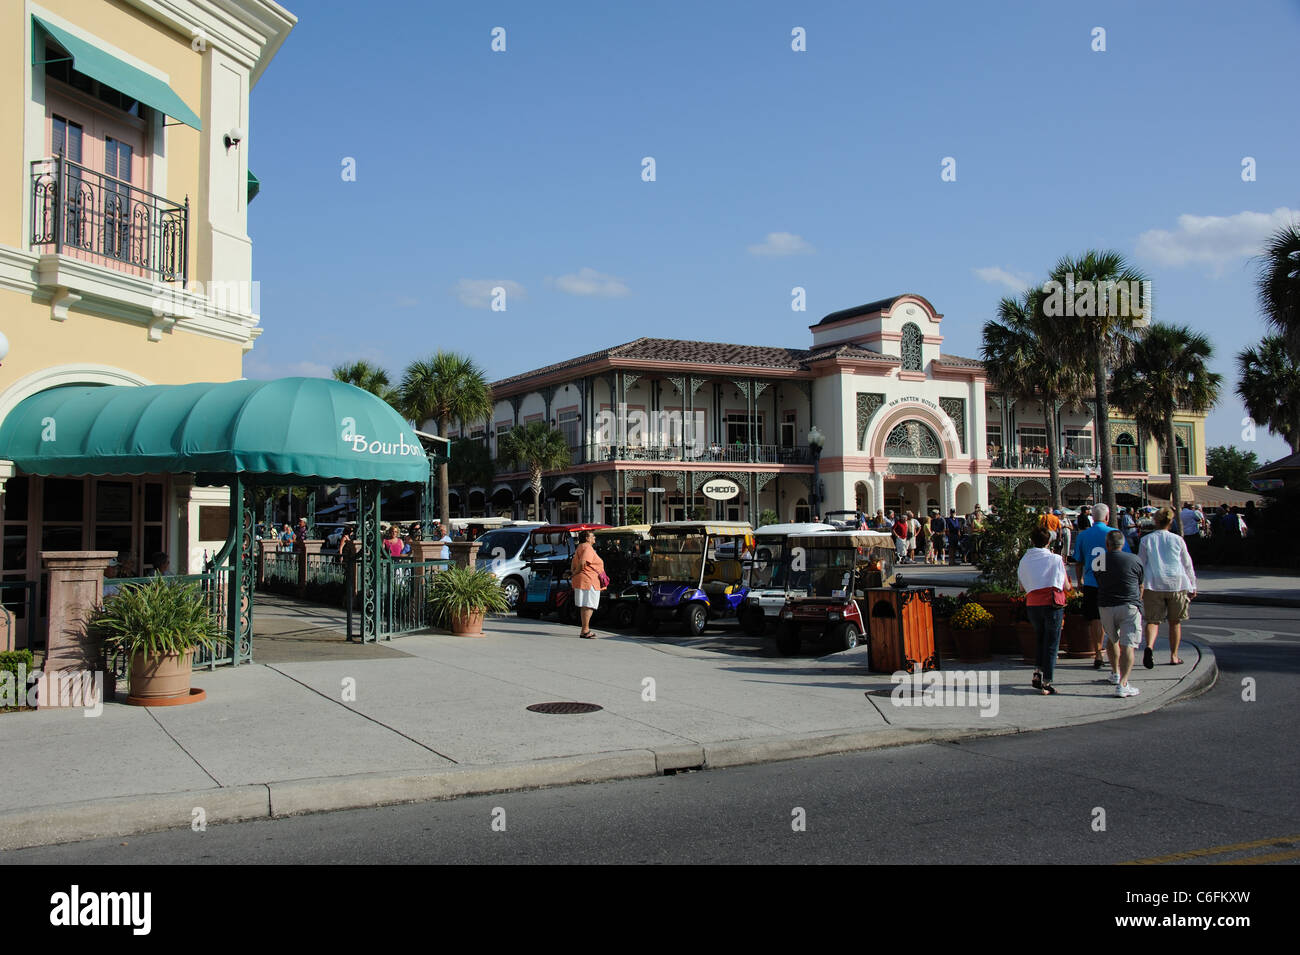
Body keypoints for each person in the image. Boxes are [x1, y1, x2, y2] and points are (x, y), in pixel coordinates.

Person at [1071, 503, 1130, 670]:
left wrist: (1080, 580)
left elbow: (1078, 561)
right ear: (1107, 516)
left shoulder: (1083, 535)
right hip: (1110, 582)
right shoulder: (1114, 534)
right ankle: (1113, 651)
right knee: (1112, 619)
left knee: (1095, 619)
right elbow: (1124, 557)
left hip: (1091, 581)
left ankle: (1097, 652)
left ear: (1092, 517)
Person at [1138, 508, 1196, 667]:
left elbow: (1140, 564)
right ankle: (1174, 656)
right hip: (1176, 583)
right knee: (1175, 622)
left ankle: (1149, 647)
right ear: (1171, 521)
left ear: (1155, 521)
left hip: (1153, 583)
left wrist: (1139, 585)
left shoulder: (1146, 540)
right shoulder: (1177, 540)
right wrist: (1193, 585)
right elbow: (1187, 563)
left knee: (1152, 621)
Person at [1017, 526, 1071, 695]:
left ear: (1032, 541)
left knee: (1040, 638)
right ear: (1049, 542)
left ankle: (1037, 672)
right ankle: (1047, 681)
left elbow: (1021, 585)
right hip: (1051, 602)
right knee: (1052, 643)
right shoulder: (1055, 559)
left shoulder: (1025, 559)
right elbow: (1065, 585)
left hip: (1033, 603)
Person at [1095, 529, 1145, 698]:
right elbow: (1140, 583)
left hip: (1106, 605)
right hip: (1129, 604)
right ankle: (1123, 683)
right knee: (1128, 645)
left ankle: (1115, 673)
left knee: (1112, 638)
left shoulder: (1099, 560)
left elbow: (1099, 578)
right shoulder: (1134, 559)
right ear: (1123, 544)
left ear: (1107, 544)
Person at [570, 529, 606, 638]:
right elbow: (583, 563)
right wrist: (576, 572)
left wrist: (574, 573)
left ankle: (584, 629)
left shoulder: (580, 547)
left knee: (585, 605)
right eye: (592, 536)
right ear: (587, 538)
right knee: (589, 605)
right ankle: (585, 630)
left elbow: (574, 563)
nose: (594, 538)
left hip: (583, 579)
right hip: (589, 580)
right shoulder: (587, 547)